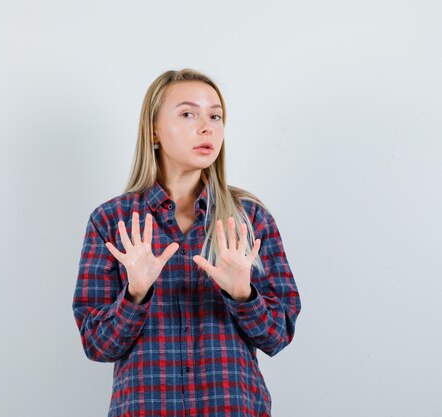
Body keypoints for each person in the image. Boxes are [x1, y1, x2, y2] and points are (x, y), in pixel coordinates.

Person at [72, 68, 302, 417]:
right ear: (154, 130)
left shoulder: (250, 220)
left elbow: (278, 335)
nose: (207, 127)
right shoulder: (111, 222)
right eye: (188, 114)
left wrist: (244, 295)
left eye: (215, 116)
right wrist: (134, 295)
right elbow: (97, 345)